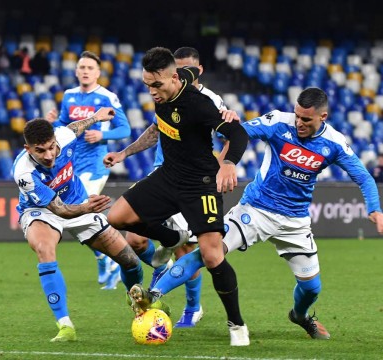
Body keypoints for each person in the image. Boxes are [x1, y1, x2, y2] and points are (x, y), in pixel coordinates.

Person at [145, 87, 383, 341]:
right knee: (208, 251)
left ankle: (300, 316)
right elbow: (241, 133)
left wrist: (375, 209)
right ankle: (151, 296)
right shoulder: (279, 122)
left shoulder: (334, 143)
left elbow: (363, 177)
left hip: (295, 222)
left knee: (312, 288)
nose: (299, 123)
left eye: (306, 119)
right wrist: (230, 128)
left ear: (322, 117)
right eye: (297, 116)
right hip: (255, 209)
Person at [103, 47, 250, 346]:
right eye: (146, 85)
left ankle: (237, 324)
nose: (151, 91)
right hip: (168, 176)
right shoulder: (175, 79)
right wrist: (125, 152)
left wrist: (228, 164)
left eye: (156, 85)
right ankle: (171, 238)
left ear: (173, 78)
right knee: (116, 217)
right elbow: (193, 72)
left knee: (211, 255)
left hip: (200, 183)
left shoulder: (199, 105)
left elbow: (238, 134)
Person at [13, 110, 152, 342]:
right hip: (43, 211)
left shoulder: (64, 136)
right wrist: (88, 207)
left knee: (130, 261)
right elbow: (59, 210)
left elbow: (76, 127)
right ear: (28, 149)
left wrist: (96, 117)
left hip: (77, 200)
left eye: (51, 147)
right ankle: (65, 325)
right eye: (40, 151)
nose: (48, 156)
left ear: (55, 140)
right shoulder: (24, 172)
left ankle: (134, 297)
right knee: (44, 249)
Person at [46, 51, 131, 290]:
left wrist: (103, 134)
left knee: (80, 213)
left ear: (98, 72)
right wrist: (53, 123)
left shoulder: (107, 97)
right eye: (81, 67)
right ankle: (105, 258)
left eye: (90, 68)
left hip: (95, 166)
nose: (85, 71)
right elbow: (65, 127)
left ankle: (112, 260)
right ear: (76, 71)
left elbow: (125, 129)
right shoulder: (69, 96)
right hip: (71, 165)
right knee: (75, 217)